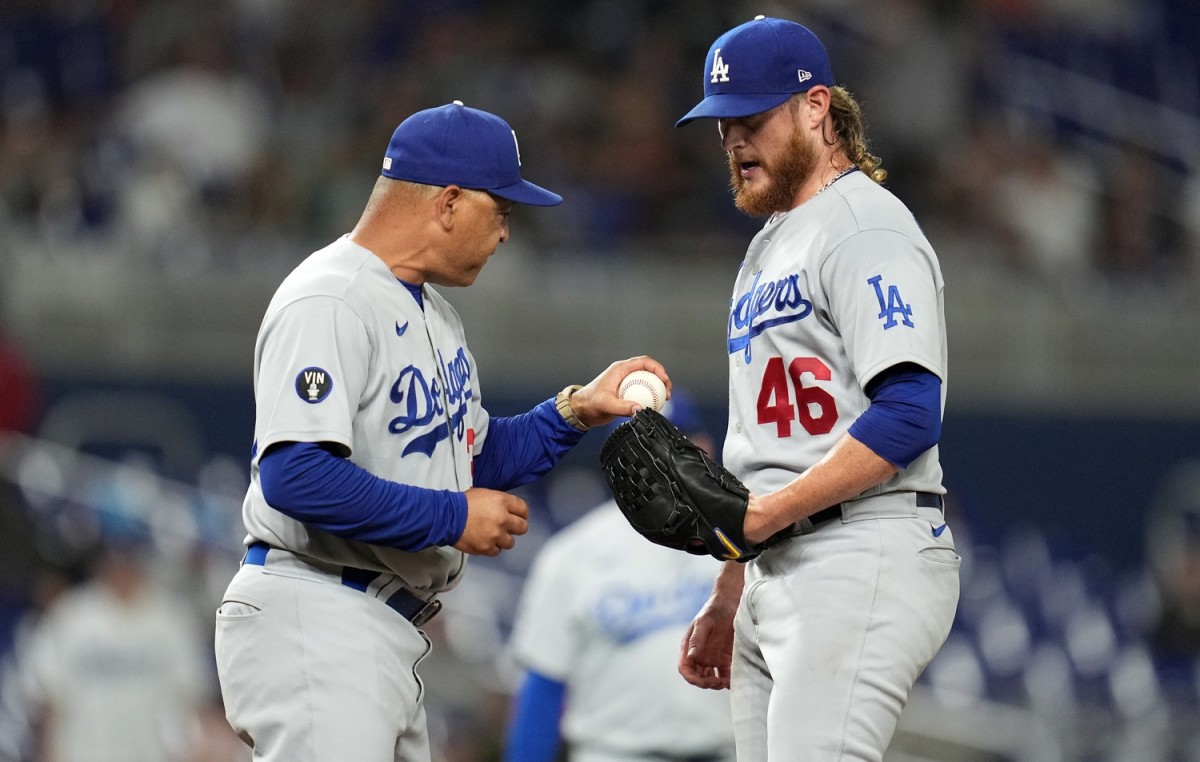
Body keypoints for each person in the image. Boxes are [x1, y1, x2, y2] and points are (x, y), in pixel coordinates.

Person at [212, 100, 670, 762]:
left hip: (378, 629)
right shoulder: (331, 297)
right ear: (450, 202)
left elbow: (468, 461)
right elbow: (295, 476)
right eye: (502, 210)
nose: (507, 233)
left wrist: (573, 412)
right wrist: (451, 517)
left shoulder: (435, 315)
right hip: (315, 611)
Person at [672, 16, 961, 761]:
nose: (734, 141)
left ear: (816, 107)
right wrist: (733, 586)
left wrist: (763, 518)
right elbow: (763, 450)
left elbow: (907, 416)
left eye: (753, 119)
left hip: (860, 549)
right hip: (778, 564)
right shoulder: (770, 245)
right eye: (722, 125)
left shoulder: (866, 227)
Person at [503, 392, 736, 762]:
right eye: (648, 446)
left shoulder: (745, 543)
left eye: (679, 442)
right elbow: (544, 685)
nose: (665, 460)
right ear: (620, 458)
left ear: (706, 448)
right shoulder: (572, 555)